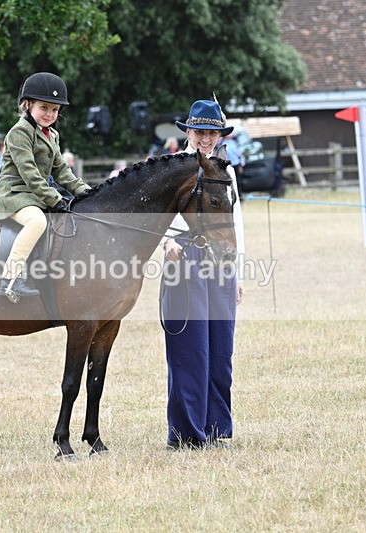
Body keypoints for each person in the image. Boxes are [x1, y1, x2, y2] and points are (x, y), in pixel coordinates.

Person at [160, 98, 246, 450]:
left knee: (220, 350)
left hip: (221, 264)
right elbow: (155, 219)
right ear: (188, 133)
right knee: (189, 350)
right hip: (184, 261)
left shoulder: (227, 170)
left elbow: (235, 223)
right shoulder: (173, 167)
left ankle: (217, 429)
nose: (206, 139)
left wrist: (238, 272)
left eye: (211, 133)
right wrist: (167, 245)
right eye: (199, 132)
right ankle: (186, 434)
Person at [0, 72, 91, 300]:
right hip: (14, 195)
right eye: (44, 107)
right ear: (28, 105)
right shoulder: (19, 132)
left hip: (35, 197)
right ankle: (11, 279)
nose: (49, 114)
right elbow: (30, 174)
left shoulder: (52, 135)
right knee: (37, 221)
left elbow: (62, 171)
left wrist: (86, 192)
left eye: (54, 110)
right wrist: (55, 199)